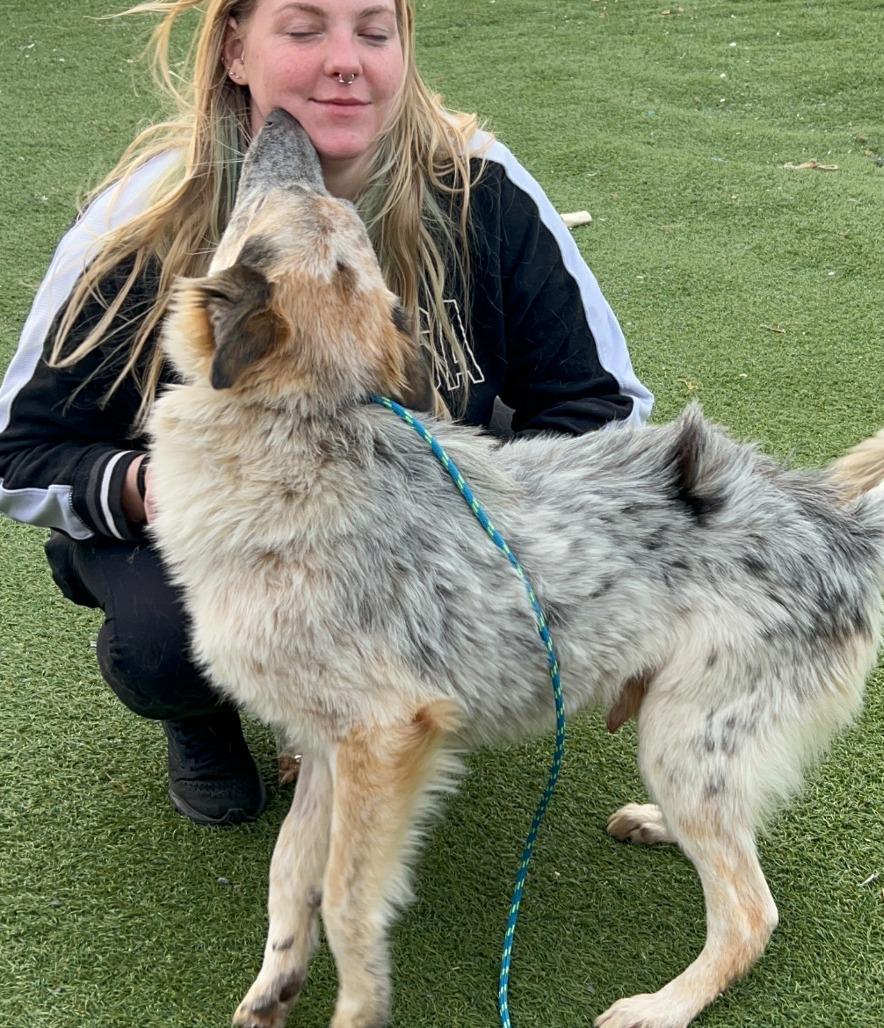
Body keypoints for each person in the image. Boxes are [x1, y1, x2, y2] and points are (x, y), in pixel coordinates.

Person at [0, 0, 652, 826]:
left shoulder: (481, 186)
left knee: (459, 590)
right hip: (227, 531)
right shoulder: (143, 213)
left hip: (421, 526)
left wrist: (532, 544)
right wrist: (144, 487)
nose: (346, 60)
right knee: (163, 639)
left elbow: (603, 407)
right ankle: (201, 717)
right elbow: (18, 451)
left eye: (373, 32)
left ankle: (392, 680)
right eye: (305, 30)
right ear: (236, 49)